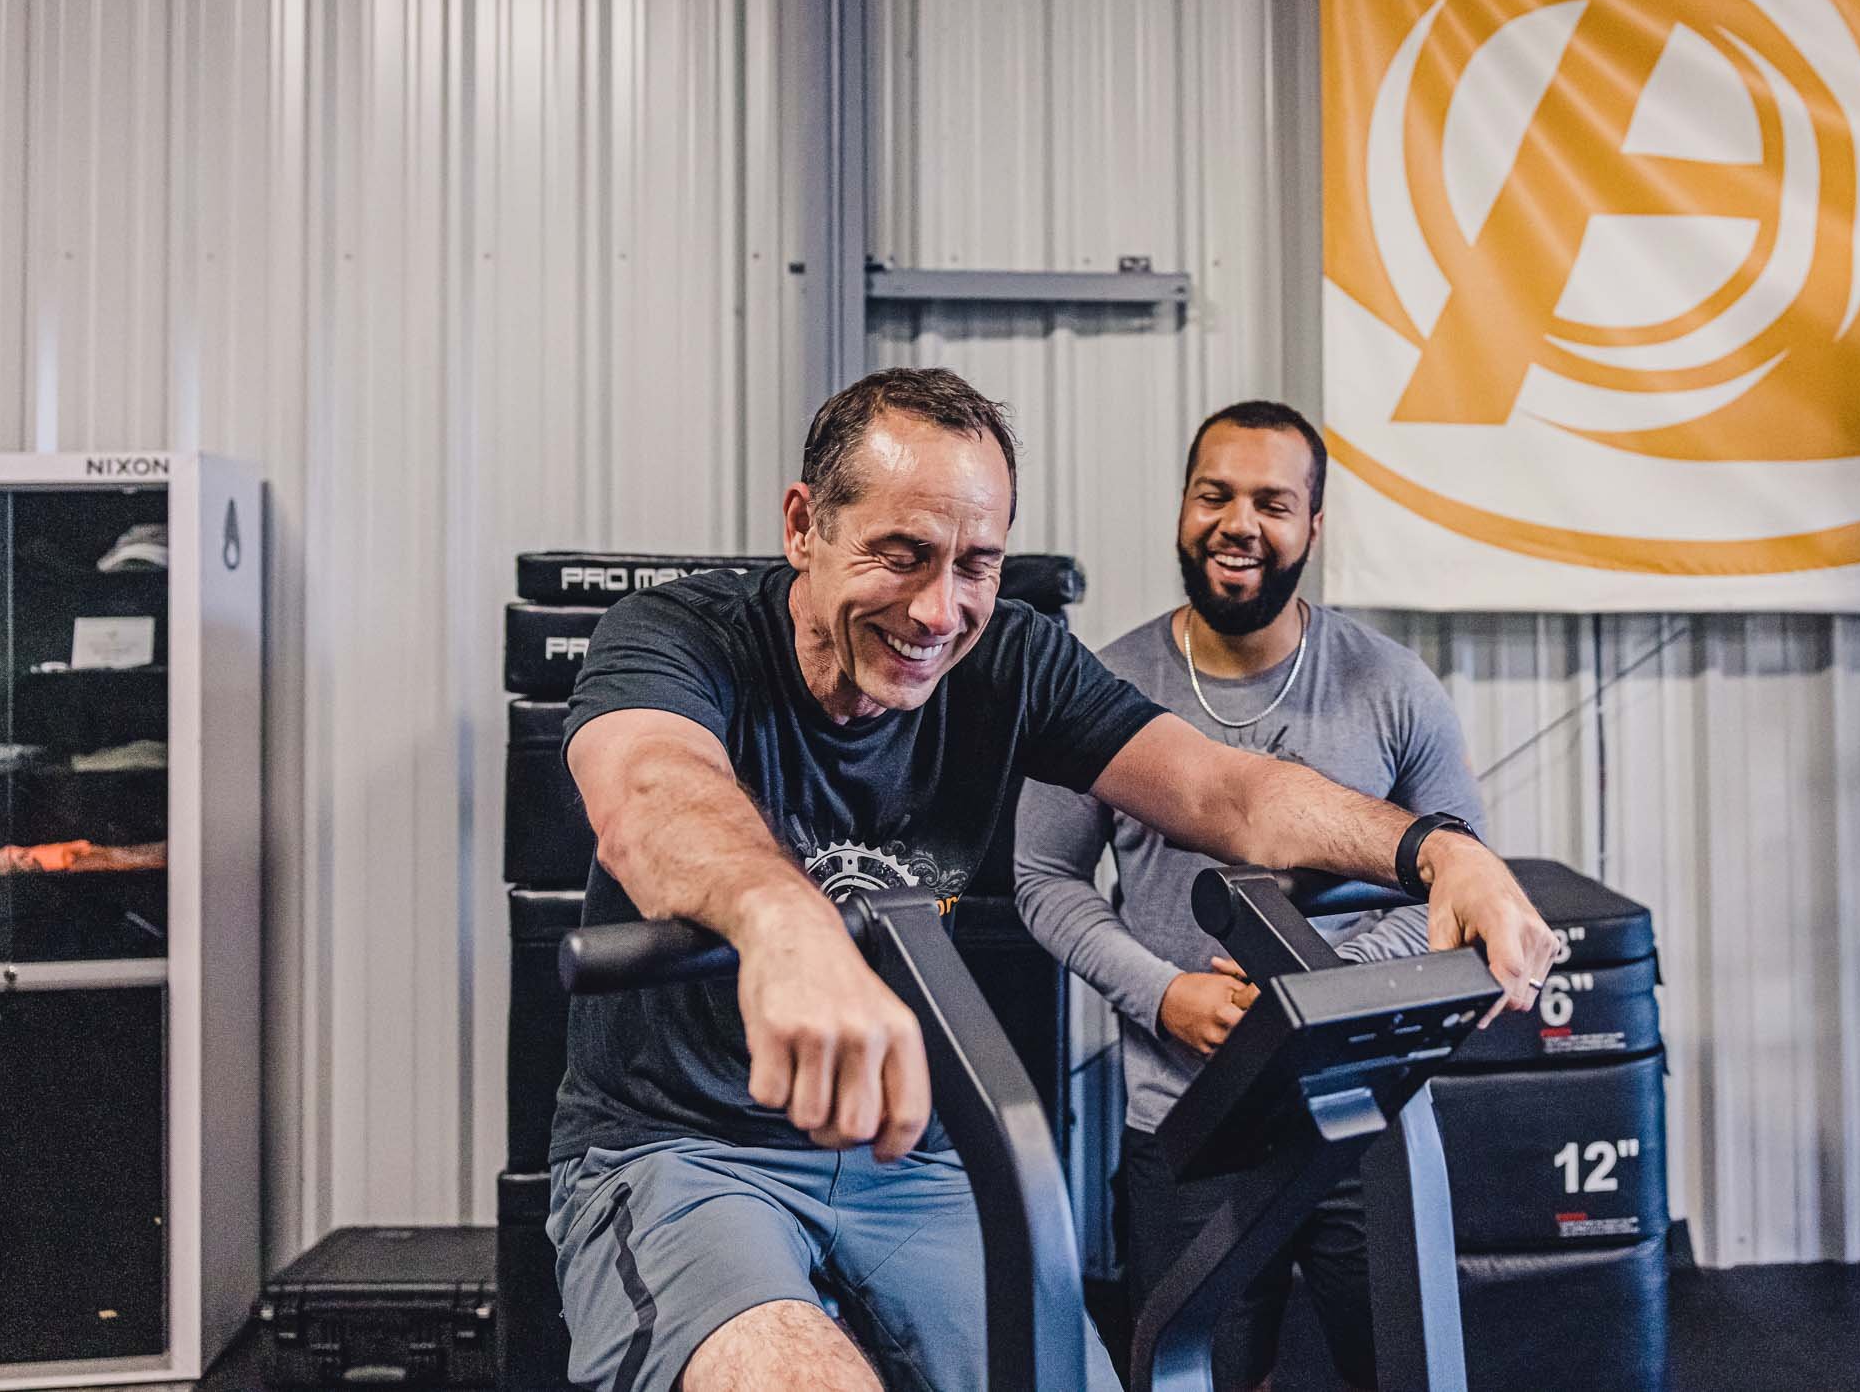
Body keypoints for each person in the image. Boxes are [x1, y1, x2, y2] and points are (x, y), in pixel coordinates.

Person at [548, 367, 1554, 1392]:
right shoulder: (679, 637)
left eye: (975, 565)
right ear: (804, 524)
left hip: (901, 1146)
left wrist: (1439, 849)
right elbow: (651, 792)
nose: (938, 611)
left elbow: (1230, 794)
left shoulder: (1013, 661)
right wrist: (780, 920)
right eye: (901, 556)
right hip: (684, 1148)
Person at [1015, 399, 1480, 1392]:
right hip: (1187, 1122)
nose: (1239, 524)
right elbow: (1040, 877)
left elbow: (1455, 884)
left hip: (1361, 1108)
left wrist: (1324, 991)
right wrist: (1161, 993)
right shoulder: (1106, 690)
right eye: (1213, 495)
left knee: (1403, 1371)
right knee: (1206, 1377)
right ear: (1183, 511)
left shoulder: (1393, 687)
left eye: (1272, 502)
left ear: (1313, 526)